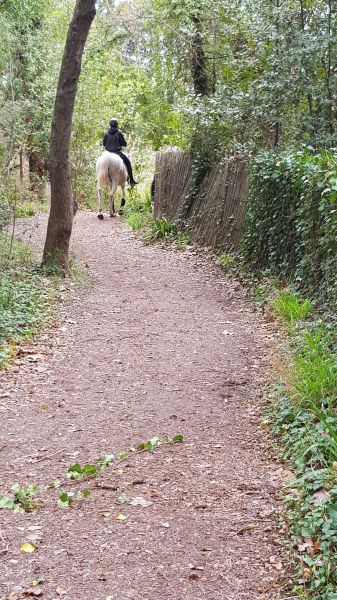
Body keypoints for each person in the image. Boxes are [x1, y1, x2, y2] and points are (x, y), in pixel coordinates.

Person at [103, 119, 138, 186]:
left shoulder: (106, 133)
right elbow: (124, 144)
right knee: (128, 162)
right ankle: (131, 179)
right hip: (117, 153)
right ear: (116, 124)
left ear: (110, 124)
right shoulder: (118, 133)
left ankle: (98, 178)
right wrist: (123, 143)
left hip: (107, 153)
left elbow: (104, 144)